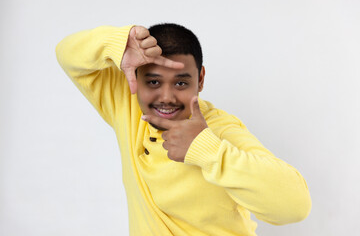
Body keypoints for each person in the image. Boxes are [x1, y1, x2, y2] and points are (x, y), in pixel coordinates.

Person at [56, 23, 311, 236]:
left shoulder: (219, 129)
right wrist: (118, 44)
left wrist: (207, 150)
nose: (166, 97)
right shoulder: (127, 105)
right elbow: (65, 54)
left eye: (180, 82)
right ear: (135, 76)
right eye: (153, 81)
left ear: (200, 79)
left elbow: (296, 206)